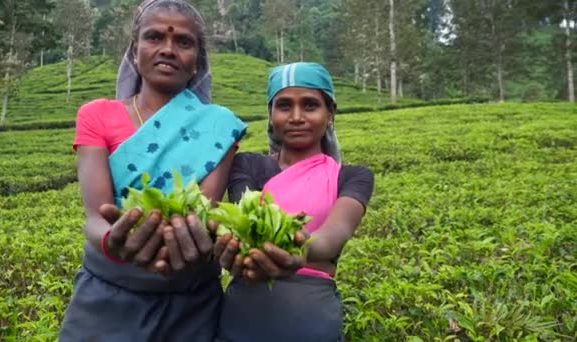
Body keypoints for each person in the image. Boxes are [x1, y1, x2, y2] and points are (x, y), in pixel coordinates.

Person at [59, 1, 246, 341]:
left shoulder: (218, 127)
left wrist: (192, 242)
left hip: (189, 302)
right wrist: (112, 242)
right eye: (154, 37)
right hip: (106, 294)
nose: (168, 49)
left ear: (197, 61)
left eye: (184, 42)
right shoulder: (96, 115)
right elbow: (96, 216)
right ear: (134, 50)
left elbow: (202, 211)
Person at [215, 62, 374, 342]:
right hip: (244, 314)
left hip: (310, 318)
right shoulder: (248, 165)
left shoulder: (352, 177)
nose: (297, 117)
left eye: (310, 106)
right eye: (285, 106)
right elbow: (247, 221)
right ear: (271, 113)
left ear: (330, 113)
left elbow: (334, 234)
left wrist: (302, 248)